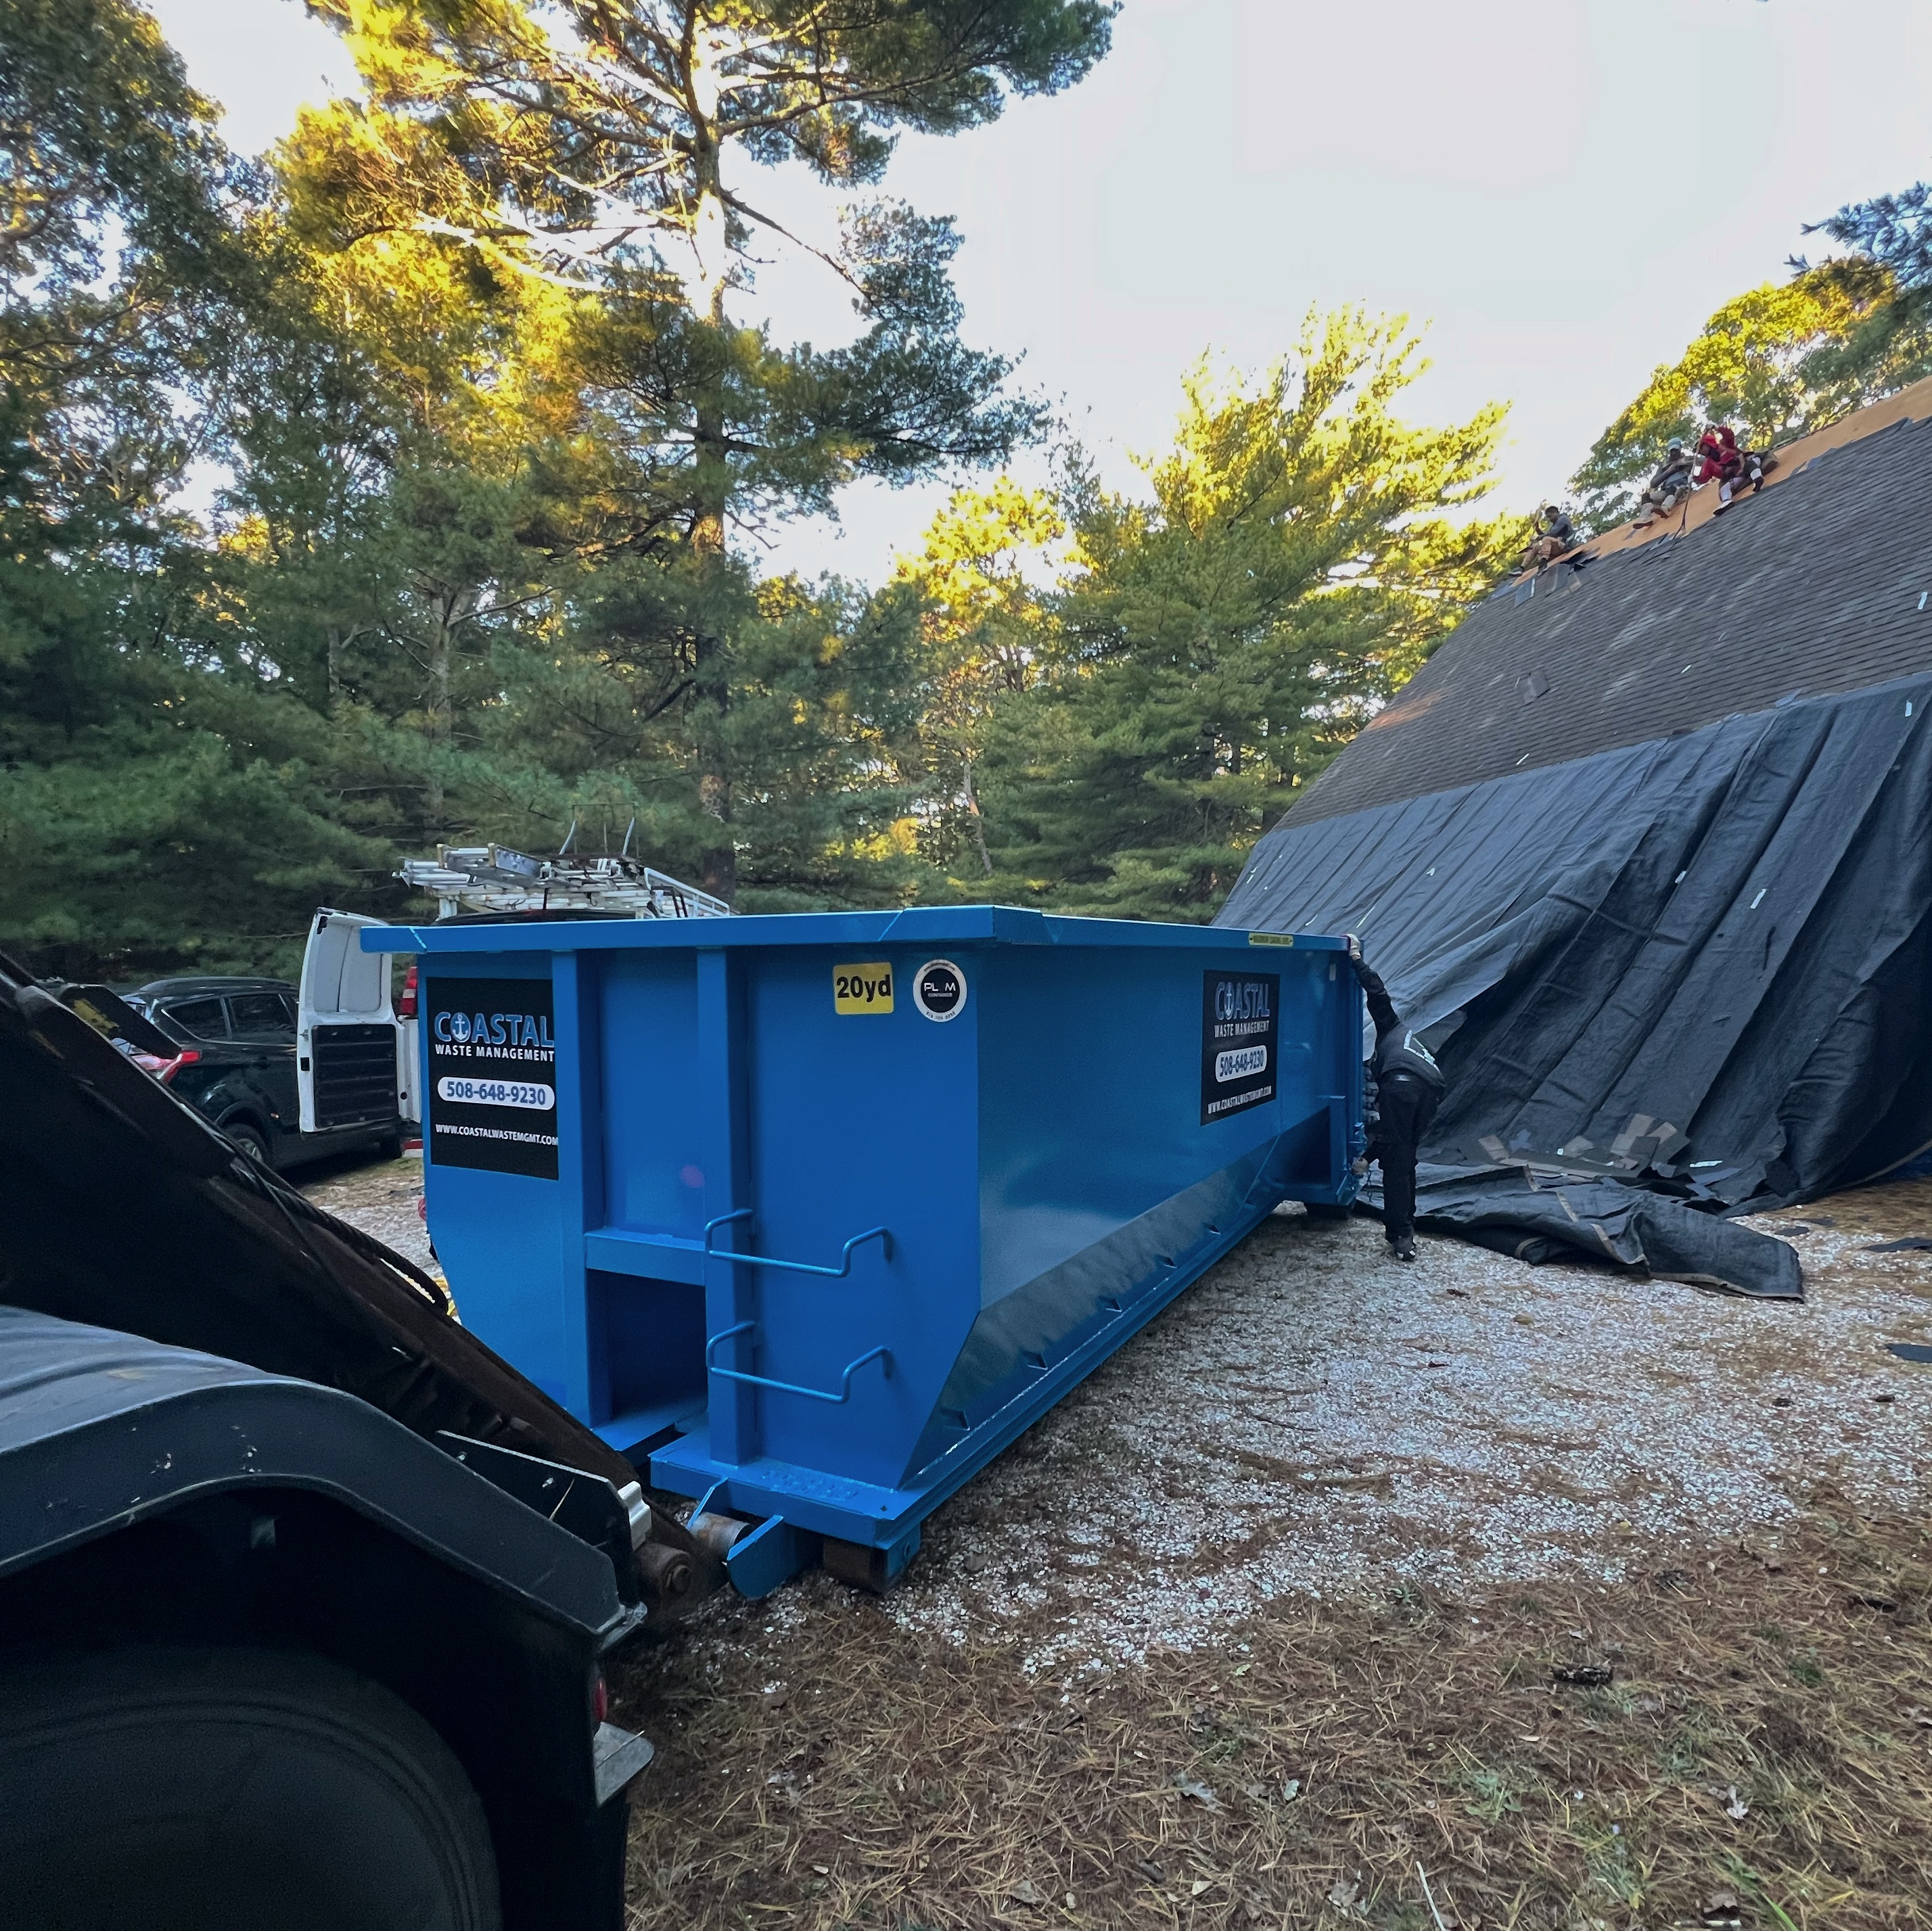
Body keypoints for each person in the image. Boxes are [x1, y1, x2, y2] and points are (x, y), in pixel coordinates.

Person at [1346, 934, 1446, 1263]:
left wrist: (1366, 1156)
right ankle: (1405, 1230)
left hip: (1402, 1086)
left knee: (1396, 1162)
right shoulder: (1403, 1033)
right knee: (1405, 1155)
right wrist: (1357, 960)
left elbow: (1378, 994)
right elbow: (1377, 993)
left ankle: (1401, 1238)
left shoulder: (1389, 1028)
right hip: (1432, 1089)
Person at [1631, 438, 1695, 527]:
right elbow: (1653, 484)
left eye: (1675, 450)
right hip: (1665, 491)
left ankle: (1665, 508)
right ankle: (1645, 518)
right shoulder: (1664, 466)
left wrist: (1682, 464)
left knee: (1674, 489)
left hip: (1681, 489)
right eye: (1672, 451)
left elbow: (1702, 461)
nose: (1674, 453)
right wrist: (1668, 472)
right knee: (1646, 496)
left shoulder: (1687, 460)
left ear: (1680, 449)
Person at [1519, 503, 1577, 571]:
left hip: (1564, 546)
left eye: (1550, 516)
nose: (1549, 519)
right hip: (1556, 548)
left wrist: (1539, 537)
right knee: (1536, 547)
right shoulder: (1554, 525)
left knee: (1546, 539)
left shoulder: (1563, 519)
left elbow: (1552, 534)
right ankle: (1522, 568)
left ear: (1555, 513)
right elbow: (1548, 534)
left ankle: (1544, 562)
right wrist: (1537, 529)